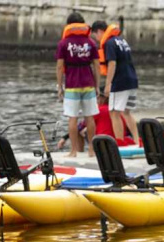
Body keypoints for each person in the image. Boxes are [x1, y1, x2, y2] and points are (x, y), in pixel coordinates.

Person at [56, 13, 100, 157]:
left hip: (72, 85)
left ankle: (73, 151)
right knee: (90, 117)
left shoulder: (64, 43)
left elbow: (59, 67)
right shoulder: (90, 42)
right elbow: (96, 66)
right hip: (88, 84)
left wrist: (59, 87)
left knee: (72, 118)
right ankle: (92, 150)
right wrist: (97, 85)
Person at [91, 21, 140, 148]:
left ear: (100, 31)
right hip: (132, 80)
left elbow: (112, 63)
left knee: (114, 113)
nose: (96, 39)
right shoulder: (122, 40)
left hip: (120, 82)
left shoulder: (109, 43)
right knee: (126, 112)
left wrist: (108, 84)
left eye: (95, 36)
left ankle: (119, 143)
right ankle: (136, 141)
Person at [56, 90, 138, 150]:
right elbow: (127, 132)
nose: (96, 99)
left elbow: (79, 127)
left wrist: (64, 138)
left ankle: (79, 152)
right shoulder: (119, 112)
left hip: (103, 143)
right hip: (117, 142)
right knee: (86, 128)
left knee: (79, 131)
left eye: (97, 97)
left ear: (103, 98)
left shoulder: (98, 110)